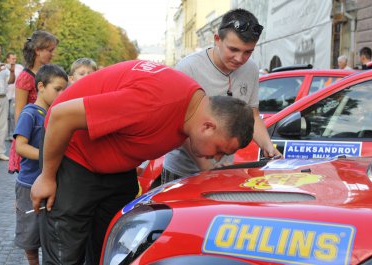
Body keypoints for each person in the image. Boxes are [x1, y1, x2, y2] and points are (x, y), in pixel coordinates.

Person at [30, 60, 255, 264]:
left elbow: (184, 133)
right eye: (219, 151)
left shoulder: (196, 110)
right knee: (65, 251)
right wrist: (47, 176)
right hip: (75, 158)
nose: (216, 158)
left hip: (117, 169)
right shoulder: (151, 103)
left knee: (112, 249)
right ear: (208, 126)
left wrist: (210, 172)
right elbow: (61, 115)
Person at [162, 8, 281, 183]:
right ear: (217, 39)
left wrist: (268, 147)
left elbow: (252, 115)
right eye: (233, 49)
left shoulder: (251, 69)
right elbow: (180, 125)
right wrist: (205, 165)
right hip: (183, 172)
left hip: (222, 170)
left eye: (248, 52)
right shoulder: (188, 68)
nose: (239, 58)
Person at [14, 64, 67, 265]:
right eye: (57, 89)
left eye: (65, 89)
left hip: (50, 183)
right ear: (41, 87)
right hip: (28, 184)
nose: (62, 93)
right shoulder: (30, 113)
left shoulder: (56, 114)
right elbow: (20, 147)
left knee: (49, 234)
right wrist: (48, 156)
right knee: (30, 236)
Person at [8, 30, 58, 174]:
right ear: (37, 51)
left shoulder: (46, 74)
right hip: (30, 133)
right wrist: (22, 140)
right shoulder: (25, 77)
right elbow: (19, 110)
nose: (53, 54)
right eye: (50, 50)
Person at [0, 44, 16, 161]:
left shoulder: (3, 66)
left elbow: (11, 81)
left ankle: (0, 152)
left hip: (3, 97)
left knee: (2, 126)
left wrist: (12, 72)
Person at [6, 52, 24, 140]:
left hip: (15, 94)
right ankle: (6, 133)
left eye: (15, 59)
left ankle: (12, 133)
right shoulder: (4, 67)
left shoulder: (20, 67)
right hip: (6, 94)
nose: (14, 60)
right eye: (12, 58)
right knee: (7, 116)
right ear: (8, 59)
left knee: (12, 114)